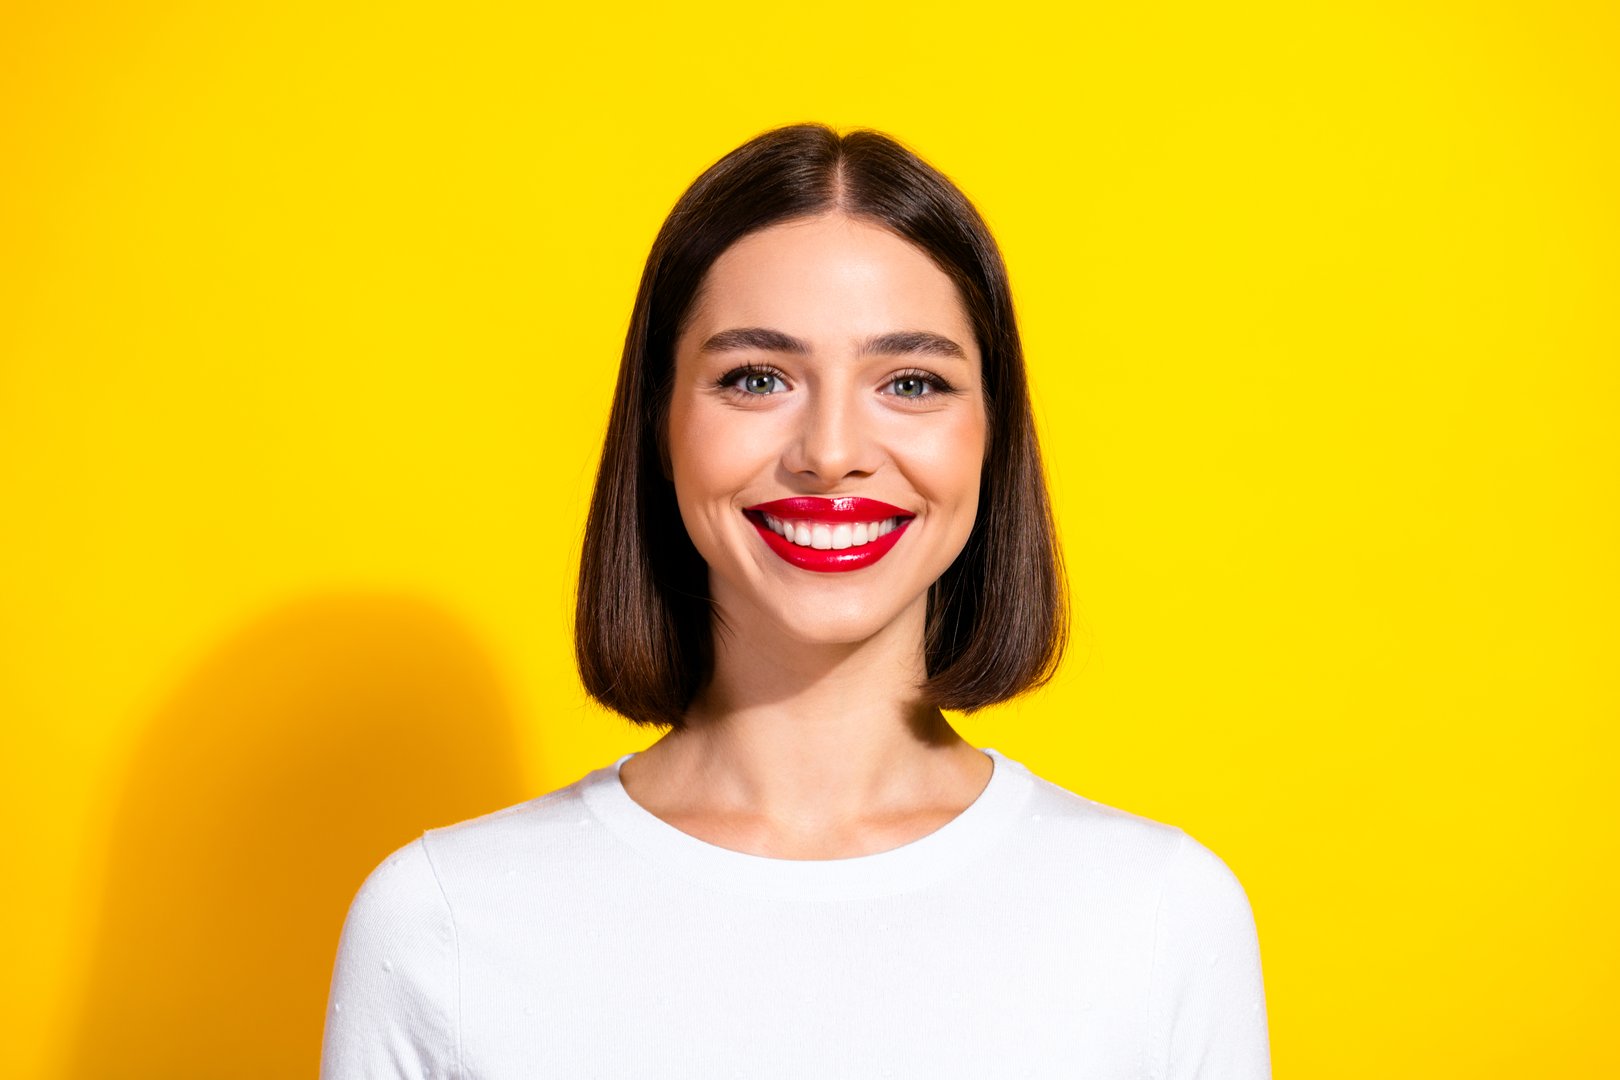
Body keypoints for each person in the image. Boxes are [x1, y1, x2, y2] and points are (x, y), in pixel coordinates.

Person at [319, 123, 1272, 1079]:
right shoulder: (442, 921)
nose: (829, 451)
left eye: (910, 382)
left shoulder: (1162, 915)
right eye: (756, 378)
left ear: (993, 435)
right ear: (659, 423)